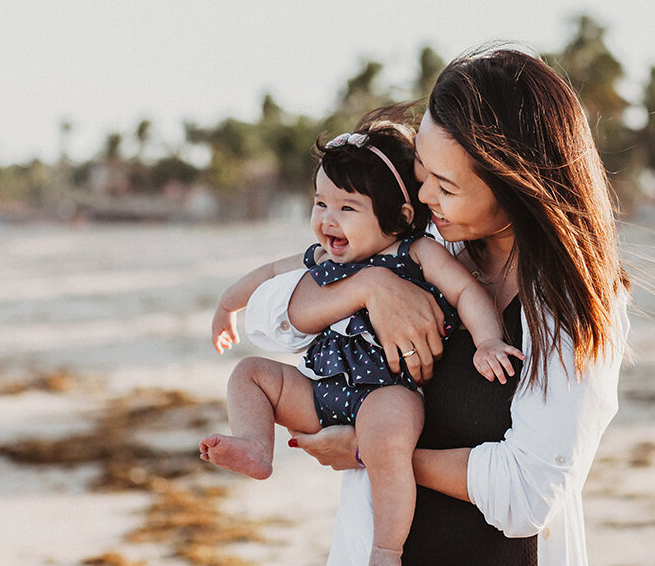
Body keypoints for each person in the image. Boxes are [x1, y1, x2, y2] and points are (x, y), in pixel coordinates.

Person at [244, 45, 631, 565]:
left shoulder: (575, 304)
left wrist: (373, 452)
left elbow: (529, 493)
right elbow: (267, 323)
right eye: (421, 171)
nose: (423, 197)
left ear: (515, 186)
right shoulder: (424, 247)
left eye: (445, 186)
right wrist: (371, 288)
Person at [201, 119, 524, 566]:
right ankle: (256, 446)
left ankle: (385, 549)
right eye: (320, 203)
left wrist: (487, 340)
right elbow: (268, 276)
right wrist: (225, 306)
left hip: (389, 393)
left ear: (400, 218)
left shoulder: (418, 254)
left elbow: (466, 290)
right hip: (323, 388)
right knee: (249, 374)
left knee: (386, 442)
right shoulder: (324, 258)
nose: (326, 219)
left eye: (347, 208)